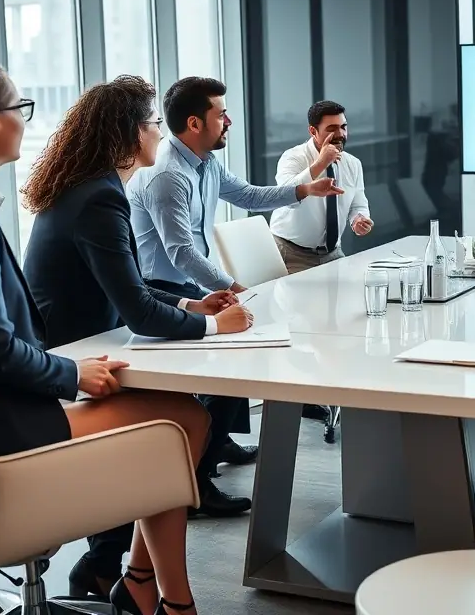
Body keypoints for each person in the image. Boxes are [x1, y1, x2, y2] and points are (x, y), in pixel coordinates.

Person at [0, 57, 213, 615]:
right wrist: (75, 374)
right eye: (20, 109)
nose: (27, 121)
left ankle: (149, 589)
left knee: (174, 414)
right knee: (185, 419)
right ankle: (159, 596)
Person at [21, 75, 254, 598]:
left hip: (87, 348)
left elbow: (131, 286)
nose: (159, 133)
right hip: (71, 368)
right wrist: (216, 324)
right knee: (183, 421)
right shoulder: (99, 199)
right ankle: (129, 575)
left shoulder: (92, 189)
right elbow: (138, 312)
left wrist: (191, 303)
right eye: (152, 123)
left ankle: (129, 575)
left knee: (182, 417)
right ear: (129, 134)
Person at [126, 76, 343, 504]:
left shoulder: (204, 161)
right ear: (194, 122)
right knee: (235, 351)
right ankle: (198, 482)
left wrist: (305, 188)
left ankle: (217, 438)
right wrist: (236, 288)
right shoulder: (168, 175)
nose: (229, 121)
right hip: (162, 289)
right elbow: (180, 253)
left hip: (188, 282)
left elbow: (247, 195)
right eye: (220, 114)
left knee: (240, 349)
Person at [269, 100, 373, 273]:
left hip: (333, 253)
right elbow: (285, 196)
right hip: (291, 254)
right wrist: (321, 162)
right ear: (312, 131)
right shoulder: (292, 158)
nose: (340, 134)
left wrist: (358, 219)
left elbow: (358, 203)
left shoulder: (353, 163)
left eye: (343, 127)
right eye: (332, 129)